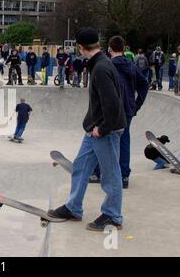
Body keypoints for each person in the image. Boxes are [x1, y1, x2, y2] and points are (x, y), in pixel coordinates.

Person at [48, 28, 127, 232]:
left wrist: (103, 129)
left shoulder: (101, 68)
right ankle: (73, 208)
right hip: (94, 129)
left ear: (81, 48)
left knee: (110, 175)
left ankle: (112, 216)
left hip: (105, 132)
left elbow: (113, 104)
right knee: (81, 167)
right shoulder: (100, 63)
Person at [92, 36, 149, 189]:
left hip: (111, 109)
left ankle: (98, 172)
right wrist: (137, 104)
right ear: (124, 49)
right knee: (124, 140)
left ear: (109, 49)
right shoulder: (131, 66)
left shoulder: (107, 65)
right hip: (128, 109)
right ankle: (124, 176)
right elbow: (144, 83)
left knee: (102, 139)